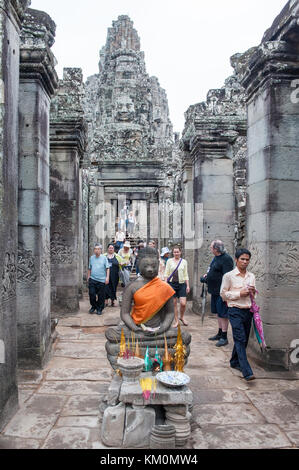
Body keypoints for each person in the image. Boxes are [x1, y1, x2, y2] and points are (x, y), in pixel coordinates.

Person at [220, 248, 256, 382]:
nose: (245, 262)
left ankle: (234, 361)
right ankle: (246, 371)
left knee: (244, 339)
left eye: (247, 259)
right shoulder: (228, 276)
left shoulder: (251, 276)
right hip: (235, 310)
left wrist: (252, 292)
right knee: (239, 338)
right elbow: (223, 295)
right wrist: (239, 294)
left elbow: (254, 295)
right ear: (236, 260)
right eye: (242, 259)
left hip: (248, 311)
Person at [204, 240, 234, 347]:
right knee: (218, 312)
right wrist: (207, 277)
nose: (210, 249)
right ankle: (220, 333)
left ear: (216, 249)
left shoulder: (227, 259)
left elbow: (227, 276)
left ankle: (224, 337)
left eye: (211, 247)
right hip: (214, 290)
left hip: (221, 292)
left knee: (223, 313)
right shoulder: (216, 258)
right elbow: (212, 270)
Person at [165, 246, 190, 327]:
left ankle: (182, 317)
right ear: (173, 253)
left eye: (177, 252)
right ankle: (176, 321)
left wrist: (188, 286)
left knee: (183, 303)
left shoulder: (184, 262)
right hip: (172, 284)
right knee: (174, 303)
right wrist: (165, 284)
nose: (176, 253)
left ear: (180, 252)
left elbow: (186, 274)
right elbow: (166, 273)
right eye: (175, 252)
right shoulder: (169, 261)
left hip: (182, 284)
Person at [87, 244, 110, 315]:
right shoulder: (91, 258)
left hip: (101, 280)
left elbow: (107, 268)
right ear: (94, 250)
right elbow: (89, 268)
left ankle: (99, 308)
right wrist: (88, 276)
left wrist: (107, 278)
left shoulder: (104, 258)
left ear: (101, 250)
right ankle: (94, 306)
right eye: (95, 249)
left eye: (98, 249)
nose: (96, 250)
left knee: (101, 296)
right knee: (92, 294)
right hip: (93, 279)